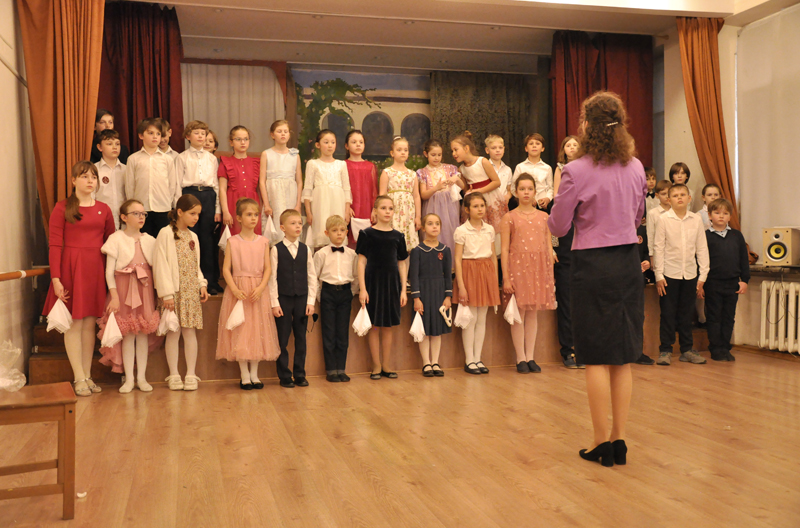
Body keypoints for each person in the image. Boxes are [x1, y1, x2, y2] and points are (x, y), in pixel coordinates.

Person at [548, 91, 647, 467]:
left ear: (586, 126)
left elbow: (558, 225)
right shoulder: (636, 167)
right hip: (627, 263)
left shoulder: (576, 170)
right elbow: (637, 217)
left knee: (594, 357)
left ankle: (599, 442)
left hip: (591, 265)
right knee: (622, 356)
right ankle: (619, 440)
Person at [43, 161, 116, 396]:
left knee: (88, 324)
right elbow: (55, 245)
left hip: (95, 269)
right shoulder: (62, 207)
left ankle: (87, 375)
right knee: (74, 324)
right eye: (84, 176)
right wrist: (56, 279)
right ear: (74, 180)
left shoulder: (104, 209)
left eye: (93, 177)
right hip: (71, 269)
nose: (90, 181)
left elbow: (112, 244)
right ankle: (78, 377)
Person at [96, 199, 160, 393]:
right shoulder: (116, 239)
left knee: (142, 333)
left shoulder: (150, 240)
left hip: (144, 290)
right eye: (136, 213)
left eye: (143, 214)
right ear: (124, 217)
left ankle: (142, 377)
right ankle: (129, 379)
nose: (141, 217)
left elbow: (158, 270)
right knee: (128, 334)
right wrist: (114, 296)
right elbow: (109, 272)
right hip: (123, 291)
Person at [216, 198, 280, 389]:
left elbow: (268, 269)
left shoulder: (264, 242)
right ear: (239, 218)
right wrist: (234, 289)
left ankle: (254, 374)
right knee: (241, 331)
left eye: (256, 215)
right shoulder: (232, 241)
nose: (253, 218)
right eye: (249, 215)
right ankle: (244, 375)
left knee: (258, 331)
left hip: (257, 291)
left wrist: (260, 288)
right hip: (239, 290)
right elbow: (226, 269)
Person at [501, 174, 557, 374]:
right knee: (519, 313)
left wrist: (549, 273)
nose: (526, 192)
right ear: (516, 192)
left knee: (533, 313)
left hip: (538, 268)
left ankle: (531, 356)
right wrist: (506, 277)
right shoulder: (509, 217)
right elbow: (504, 249)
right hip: (517, 268)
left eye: (530, 189)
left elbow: (548, 246)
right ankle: (520, 358)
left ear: (535, 191)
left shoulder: (544, 217)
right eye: (522, 189)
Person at [154, 194, 209, 391]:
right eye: (192, 213)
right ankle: (174, 374)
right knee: (173, 332)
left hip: (190, 292)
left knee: (190, 332)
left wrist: (201, 284)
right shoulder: (165, 233)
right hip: (173, 293)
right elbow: (160, 265)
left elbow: (196, 264)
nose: (196, 218)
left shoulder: (193, 236)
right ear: (179, 212)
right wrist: (167, 294)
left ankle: (191, 374)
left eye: (198, 214)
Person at [653, 183, 710, 366]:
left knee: (686, 314)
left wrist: (702, 276)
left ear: (689, 198)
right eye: (675, 195)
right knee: (668, 313)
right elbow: (658, 248)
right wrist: (659, 275)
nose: (679, 198)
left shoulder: (696, 219)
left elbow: (702, 248)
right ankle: (665, 350)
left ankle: (687, 349)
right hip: (669, 274)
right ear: (669, 200)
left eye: (682, 195)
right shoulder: (663, 219)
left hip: (690, 274)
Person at [357, 196, 409, 380]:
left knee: (387, 326)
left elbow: (402, 263)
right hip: (373, 284)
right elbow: (361, 262)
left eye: (391, 208)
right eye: (383, 208)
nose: (387, 211)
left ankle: (386, 365)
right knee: (374, 326)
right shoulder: (366, 234)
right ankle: (376, 365)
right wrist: (363, 289)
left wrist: (403, 290)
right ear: (375, 211)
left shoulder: (398, 236)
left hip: (391, 285)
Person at [453, 192, 500, 375]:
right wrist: (461, 286)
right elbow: (458, 260)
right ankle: (469, 360)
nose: (480, 209)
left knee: (482, 319)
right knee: (470, 318)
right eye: (475, 206)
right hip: (469, 272)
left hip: (486, 272)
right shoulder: (462, 231)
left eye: (482, 205)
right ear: (467, 209)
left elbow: (493, 256)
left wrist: (494, 279)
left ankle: (478, 358)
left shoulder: (489, 229)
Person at [269, 209, 317, 388]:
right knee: (282, 338)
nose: (298, 226)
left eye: (299, 223)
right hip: (283, 299)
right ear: (282, 228)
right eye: (293, 223)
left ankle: (300, 374)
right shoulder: (276, 249)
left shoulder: (305, 249)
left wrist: (310, 301)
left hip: (302, 299)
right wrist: (274, 303)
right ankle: (284, 375)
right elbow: (272, 278)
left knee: (301, 338)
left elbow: (312, 276)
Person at [175, 120, 222, 294]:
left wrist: (218, 209)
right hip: (189, 195)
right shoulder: (182, 157)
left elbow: (216, 185)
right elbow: (176, 184)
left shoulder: (212, 158)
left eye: (203, 133)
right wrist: (178, 208)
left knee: (207, 240)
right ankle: (190, 281)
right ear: (188, 136)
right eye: (197, 133)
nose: (201, 136)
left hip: (208, 196)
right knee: (189, 239)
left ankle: (210, 282)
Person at [313, 215, 359, 382]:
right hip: (328, 294)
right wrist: (320, 296)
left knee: (342, 332)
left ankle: (341, 368)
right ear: (327, 233)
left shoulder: (352, 254)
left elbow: (356, 276)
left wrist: (351, 293)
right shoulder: (321, 254)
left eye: (342, 230)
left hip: (345, 294)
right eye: (334, 230)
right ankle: (331, 369)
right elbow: (314, 277)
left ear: (347, 232)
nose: (339, 233)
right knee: (329, 331)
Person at [704, 198, 750, 362]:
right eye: (717, 213)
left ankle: (725, 347)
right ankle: (715, 348)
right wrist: (700, 283)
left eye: (725, 213)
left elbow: (743, 259)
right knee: (714, 316)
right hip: (712, 283)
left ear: (730, 216)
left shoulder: (736, 236)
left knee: (728, 317)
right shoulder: (705, 236)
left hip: (732, 283)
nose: (721, 216)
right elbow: (701, 261)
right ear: (710, 215)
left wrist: (744, 280)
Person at [551, 136, 582, 368]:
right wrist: (552, 247)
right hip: (565, 256)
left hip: (587, 259)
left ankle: (585, 349)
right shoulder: (560, 208)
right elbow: (554, 223)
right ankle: (568, 350)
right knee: (567, 303)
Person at [409, 213, 453, 378]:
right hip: (423, 292)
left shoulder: (445, 250)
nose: (434, 226)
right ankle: (426, 363)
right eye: (430, 223)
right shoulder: (417, 250)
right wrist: (416, 298)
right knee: (425, 329)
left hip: (439, 292)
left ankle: (435, 362)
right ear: (423, 227)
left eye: (437, 223)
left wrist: (448, 296)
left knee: (437, 330)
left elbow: (448, 275)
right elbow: (414, 276)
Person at [125, 118, 178, 238]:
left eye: (158, 134)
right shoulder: (133, 159)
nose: (155, 137)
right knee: (143, 240)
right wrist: (133, 207)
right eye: (150, 133)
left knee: (162, 241)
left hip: (163, 208)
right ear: (141, 135)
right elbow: (130, 186)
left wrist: (167, 202)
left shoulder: (167, 159)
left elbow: (172, 185)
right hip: (141, 210)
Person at [451, 131, 508, 238]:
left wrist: (479, 191)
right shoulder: (461, 169)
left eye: (456, 150)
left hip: (490, 198)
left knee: (494, 230)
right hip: (474, 201)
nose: (453, 154)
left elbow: (496, 182)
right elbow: (466, 189)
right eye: (452, 151)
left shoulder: (482, 161)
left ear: (466, 148)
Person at [303, 129, 352, 248]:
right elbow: (307, 189)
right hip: (320, 203)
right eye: (326, 142)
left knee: (337, 231)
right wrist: (308, 212)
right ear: (318, 145)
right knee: (321, 231)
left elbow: (346, 189)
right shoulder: (313, 164)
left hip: (337, 202)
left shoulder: (341, 164)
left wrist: (347, 211)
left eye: (333, 142)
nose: (330, 145)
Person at [417, 139, 463, 261]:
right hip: (433, 206)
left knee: (449, 231)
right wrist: (435, 188)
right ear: (426, 154)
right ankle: (432, 263)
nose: (436, 158)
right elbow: (423, 195)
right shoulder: (423, 172)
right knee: (433, 231)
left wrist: (456, 179)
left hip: (450, 207)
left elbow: (463, 186)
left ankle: (450, 264)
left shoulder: (450, 169)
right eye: (433, 155)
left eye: (439, 155)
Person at [260, 120, 303, 241]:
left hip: (290, 194)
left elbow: (299, 181)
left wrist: (298, 204)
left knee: (291, 223)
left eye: (285, 131)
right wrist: (266, 204)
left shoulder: (294, 155)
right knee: (276, 226)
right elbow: (262, 181)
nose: (283, 134)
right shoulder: (266, 154)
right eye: (279, 131)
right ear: (272, 134)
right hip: (274, 195)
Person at [379, 136, 421, 254]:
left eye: (405, 150)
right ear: (392, 153)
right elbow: (382, 195)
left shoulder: (412, 174)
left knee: (407, 246)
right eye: (399, 150)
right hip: (393, 211)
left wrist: (418, 216)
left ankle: (405, 266)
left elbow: (416, 196)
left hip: (408, 212)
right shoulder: (387, 172)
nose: (403, 152)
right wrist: (380, 212)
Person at [219, 126, 262, 236]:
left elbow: (260, 188)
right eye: (238, 139)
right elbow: (222, 189)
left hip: (253, 202)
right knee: (234, 235)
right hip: (233, 204)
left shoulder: (256, 163)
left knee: (253, 236)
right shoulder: (226, 162)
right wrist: (225, 211)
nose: (243, 142)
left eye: (246, 139)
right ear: (231, 142)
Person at [344, 130, 377, 248]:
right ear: (347, 146)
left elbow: (374, 191)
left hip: (366, 208)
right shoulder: (343, 165)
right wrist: (346, 207)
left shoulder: (370, 166)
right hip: (350, 208)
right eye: (354, 142)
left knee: (366, 242)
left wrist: (374, 209)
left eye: (361, 142)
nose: (358, 144)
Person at [512, 133, 553, 212]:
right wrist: (526, 199)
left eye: (537, 143)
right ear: (526, 148)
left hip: (542, 206)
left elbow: (550, 188)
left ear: (542, 148)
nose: (534, 146)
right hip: (524, 205)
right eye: (531, 144)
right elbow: (513, 188)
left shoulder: (547, 168)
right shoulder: (520, 167)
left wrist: (547, 199)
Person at [94, 129, 126, 230]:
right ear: (100, 147)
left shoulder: (126, 170)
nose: (114, 147)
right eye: (109, 144)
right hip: (101, 219)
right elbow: (91, 197)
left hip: (124, 221)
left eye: (117, 144)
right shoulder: (94, 170)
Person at [646, 179, 672, 268]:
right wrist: (651, 256)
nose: (667, 196)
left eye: (669, 193)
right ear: (657, 195)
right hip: (659, 253)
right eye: (663, 194)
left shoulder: (676, 211)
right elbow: (650, 235)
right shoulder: (652, 213)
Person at [484, 135, 512, 203]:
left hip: (503, 204)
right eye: (494, 148)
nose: (498, 150)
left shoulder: (507, 169)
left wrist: (508, 196)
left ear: (504, 149)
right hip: (488, 203)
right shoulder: (484, 168)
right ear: (487, 150)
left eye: (500, 147)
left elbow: (509, 189)